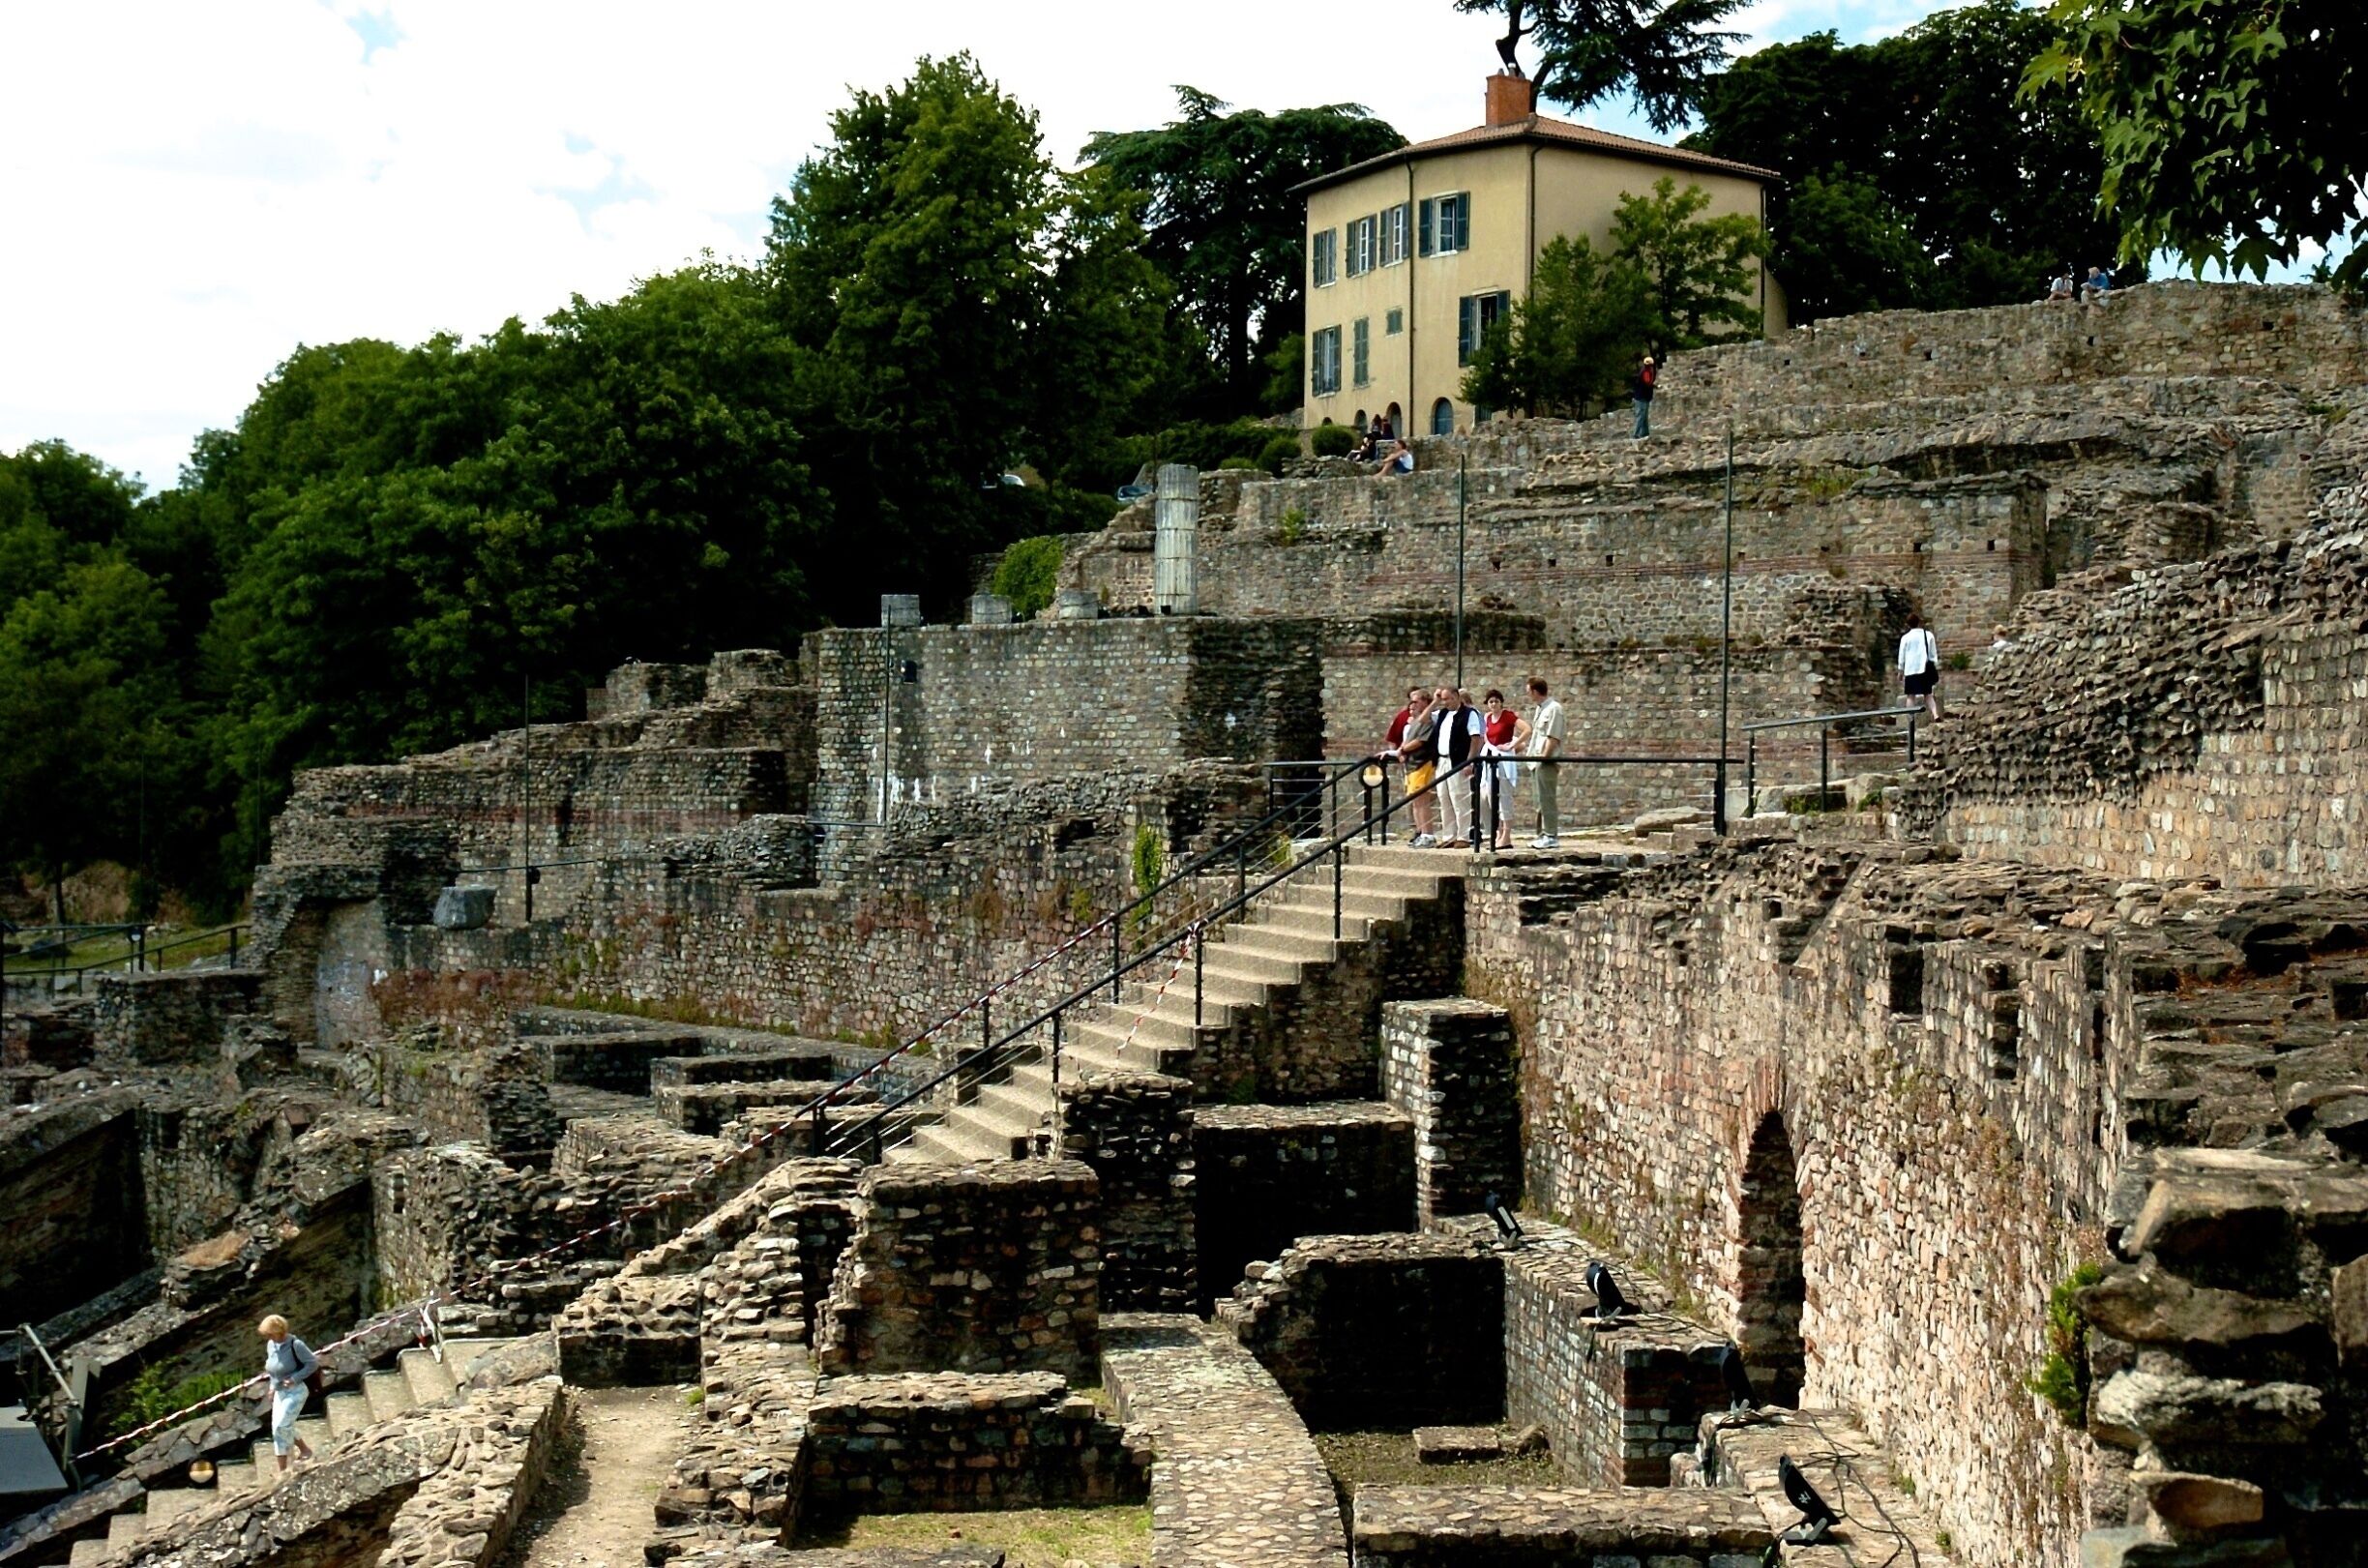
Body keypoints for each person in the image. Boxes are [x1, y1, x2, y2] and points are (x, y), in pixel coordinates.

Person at [258, 1314, 318, 1472]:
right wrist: (272, 1387)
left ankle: (304, 1451)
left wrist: (295, 1378)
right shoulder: (271, 1345)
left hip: (296, 1391)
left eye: (270, 1333)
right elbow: (272, 1369)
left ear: (279, 1331)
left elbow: (312, 1363)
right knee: (277, 1429)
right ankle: (283, 1469)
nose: (268, 1337)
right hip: (280, 1392)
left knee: (281, 1425)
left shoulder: (296, 1345)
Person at [1431, 685, 1485, 846]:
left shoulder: (1469, 714)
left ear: (1456, 697)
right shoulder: (1442, 714)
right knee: (1444, 798)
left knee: (1460, 799)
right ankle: (1449, 836)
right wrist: (1434, 701)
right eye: (1443, 699)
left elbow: (1476, 738)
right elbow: (1423, 718)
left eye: (1447, 699)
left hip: (1458, 761)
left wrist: (1469, 761)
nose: (1444, 702)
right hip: (1442, 760)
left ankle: (1463, 836)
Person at [1480, 690, 1528, 849]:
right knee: (1490, 796)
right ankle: (1499, 832)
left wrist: (1511, 745)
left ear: (1501, 702)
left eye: (1496, 701)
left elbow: (1528, 729)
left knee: (1504, 796)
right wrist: (1490, 746)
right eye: (1491, 702)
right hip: (1491, 758)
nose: (1493, 704)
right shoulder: (1487, 717)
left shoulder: (1508, 716)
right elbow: (1486, 736)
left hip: (1503, 759)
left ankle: (1507, 835)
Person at [1525, 677, 1565, 848]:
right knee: (1538, 800)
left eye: (1529, 691)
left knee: (1547, 798)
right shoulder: (1540, 709)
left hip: (1545, 761)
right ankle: (1541, 834)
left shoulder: (1554, 709)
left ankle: (1551, 834)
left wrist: (1544, 757)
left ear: (1535, 691)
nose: (1528, 695)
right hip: (1536, 760)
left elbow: (1553, 736)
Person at [1397, 691, 1439, 845]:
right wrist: (1400, 750)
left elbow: (1421, 741)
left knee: (1422, 800)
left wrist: (1404, 749)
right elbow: (1407, 740)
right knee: (1415, 801)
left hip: (1422, 763)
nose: (1412, 705)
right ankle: (1421, 832)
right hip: (1411, 764)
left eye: (1416, 701)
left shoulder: (1428, 720)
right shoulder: (1414, 722)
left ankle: (1428, 834)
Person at [1898, 613, 1942, 720]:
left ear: (1908, 625)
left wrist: (1900, 670)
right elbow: (1933, 654)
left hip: (1910, 670)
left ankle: (1911, 718)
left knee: (1910, 696)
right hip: (1925, 669)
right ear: (1919, 622)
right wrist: (1934, 665)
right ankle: (1935, 714)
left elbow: (1902, 655)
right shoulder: (1928, 635)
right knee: (1928, 694)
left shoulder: (1905, 638)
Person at [1630, 354, 1657, 439]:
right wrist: (1653, 386)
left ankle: (1645, 433)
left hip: (1643, 396)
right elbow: (1647, 383)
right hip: (1642, 396)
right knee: (1641, 415)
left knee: (1644, 415)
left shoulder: (1645, 371)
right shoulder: (1646, 372)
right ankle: (1636, 434)